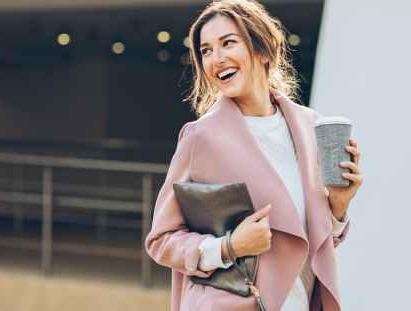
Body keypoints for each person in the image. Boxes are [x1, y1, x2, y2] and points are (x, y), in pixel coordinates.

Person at [145, 1, 363, 310]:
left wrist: (338, 211)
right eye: (206, 51)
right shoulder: (201, 137)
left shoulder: (310, 126)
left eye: (228, 42)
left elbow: (307, 245)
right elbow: (161, 240)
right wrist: (228, 247)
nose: (216, 59)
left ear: (262, 49)